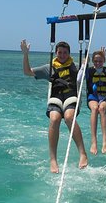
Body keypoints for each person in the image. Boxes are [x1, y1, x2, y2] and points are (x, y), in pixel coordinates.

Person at [21, 39, 89, 173]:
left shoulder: (76, 66)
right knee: (54, 118)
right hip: (56, 97)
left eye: (65, 53)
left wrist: (87, 62)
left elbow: (91, 72)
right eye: (59, 52)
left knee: (69, 117)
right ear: (56, 53)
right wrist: (25, 54)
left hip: (71, 96)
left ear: (69, 53)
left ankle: (82, 154)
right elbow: (27, 72)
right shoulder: (49, 68)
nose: (62, 55)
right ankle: (53, 159)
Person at [84, 47, 106, 155]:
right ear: (92, 61)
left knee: (102, 108)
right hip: (92, 96)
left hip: (104, 97)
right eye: (95, 61)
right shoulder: (88, 70)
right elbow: (78, 80)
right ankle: (94, 142)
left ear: (104, 61)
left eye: (100, 61)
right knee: (94, 108)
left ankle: (105, 141)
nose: (98, 63)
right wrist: (83, 66)